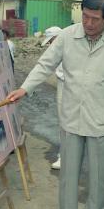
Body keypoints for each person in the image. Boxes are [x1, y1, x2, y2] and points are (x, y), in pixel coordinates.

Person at [7, 0, 104, 209]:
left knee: (98, 175)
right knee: (68, 175)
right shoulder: (67, 36)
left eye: (95, 19)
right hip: (72, 116)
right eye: (85, 16)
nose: (89, 23)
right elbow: (45, 64)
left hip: (102, 116)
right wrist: (25, 88)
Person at [41, 26, 65, 170]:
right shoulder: (56, 51)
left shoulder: (70, 47)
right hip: (63, 86)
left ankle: (65, 157)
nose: (50, 45)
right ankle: (65, 155)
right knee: (64, 123)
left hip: (74, 89)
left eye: (51, 41)